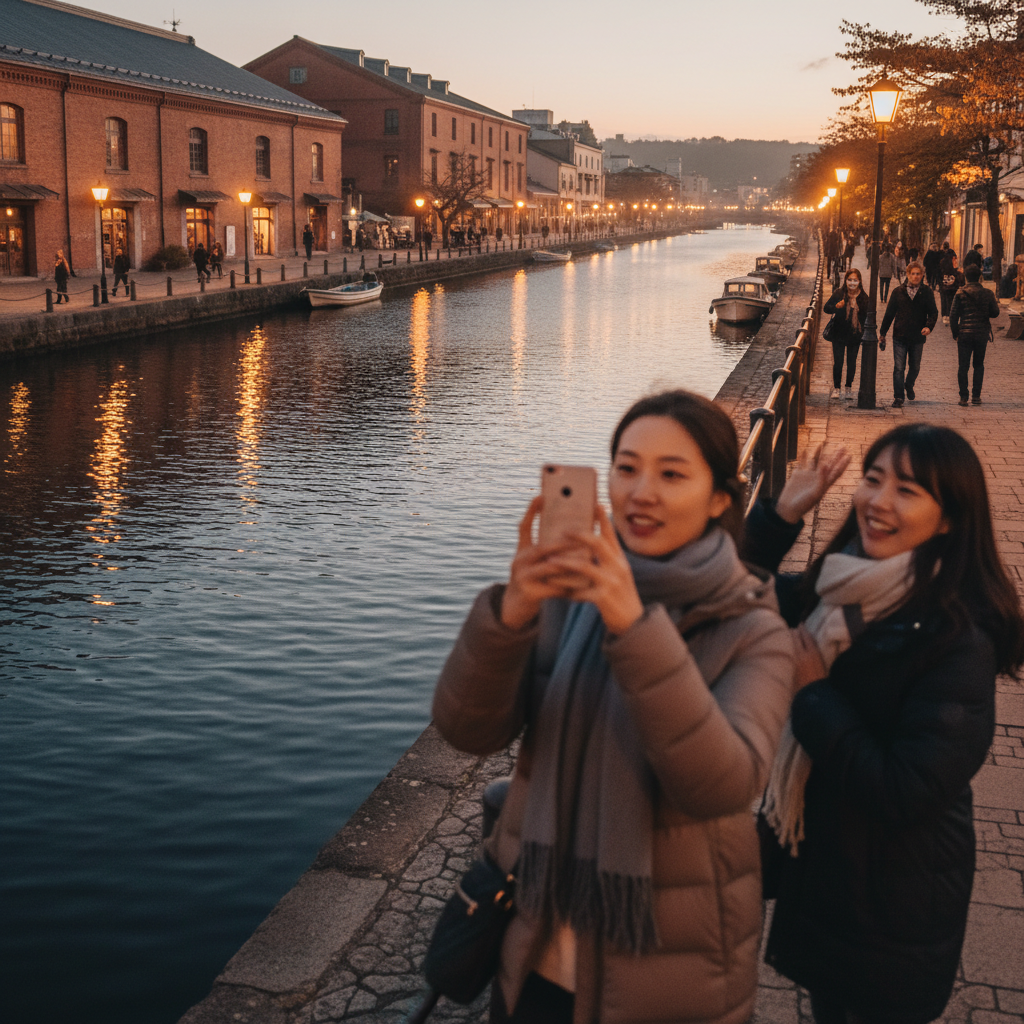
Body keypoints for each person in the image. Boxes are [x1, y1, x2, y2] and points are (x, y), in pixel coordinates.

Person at [433, 390, 795, 1024]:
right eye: (626, 468)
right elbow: (467, 730)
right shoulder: (571, 598)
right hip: (536, 952)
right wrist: (509, 615)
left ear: (719, 498)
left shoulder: (753, 628)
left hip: (668, 975)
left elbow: (723, 783)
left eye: (671, 473)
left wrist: (634, 628)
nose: (641, 492)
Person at [745, 424, 1023, 1024]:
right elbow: (734, 598)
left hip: (894, 911)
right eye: (873, 480)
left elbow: (906, 789)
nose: (879, 501)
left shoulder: (958, 637)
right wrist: (782, 515)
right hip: (830, 878)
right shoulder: (843, 583)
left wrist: (813, 695)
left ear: (949, 518)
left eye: (908, 489)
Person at [880, 261, 938, 407]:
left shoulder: (926, 292)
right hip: (900, 335)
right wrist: (882, 333)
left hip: (918, 337)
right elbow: (889, 314)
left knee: (915, 367)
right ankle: (898, 397)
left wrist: (928, 327)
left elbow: (933, 312)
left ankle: (909, 384)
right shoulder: (898, 292)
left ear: (922, 275)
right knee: (899, 368)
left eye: (918, 274)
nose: (915, 276)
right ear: (908, 275)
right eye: (913, 274)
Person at [950, 263, 1000, 406]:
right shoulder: (988, 293)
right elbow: (995, 313)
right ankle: (976, 396)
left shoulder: (960, 293)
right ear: (979, 277)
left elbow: (953, 316)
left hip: (964, 333)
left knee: (963, 366)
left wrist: (955, 333)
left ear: (966, 277)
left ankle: (963, 397)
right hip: (981, 333)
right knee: (978, 365)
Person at [823, 268, 869, 400]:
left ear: (859, 281)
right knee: (838, 362)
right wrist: (836, 307)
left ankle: (848, 387)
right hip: (839, 333)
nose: (852, 283)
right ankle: (837, 388)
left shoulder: (863, 297)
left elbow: (867, 317)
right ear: (846, 281)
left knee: (851, 362)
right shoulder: (839, 293)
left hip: (855, 334)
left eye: (855, 280)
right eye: (850, 280)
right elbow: (826, 308)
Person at [938, 251, 963, 324]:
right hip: (952, 286)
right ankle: (949, 315)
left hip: (944, 285)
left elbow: (939, 274)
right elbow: (956, 274)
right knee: (951, 300)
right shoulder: (953, 264)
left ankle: (945, 316)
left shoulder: (942, 263)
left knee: (944, 300)